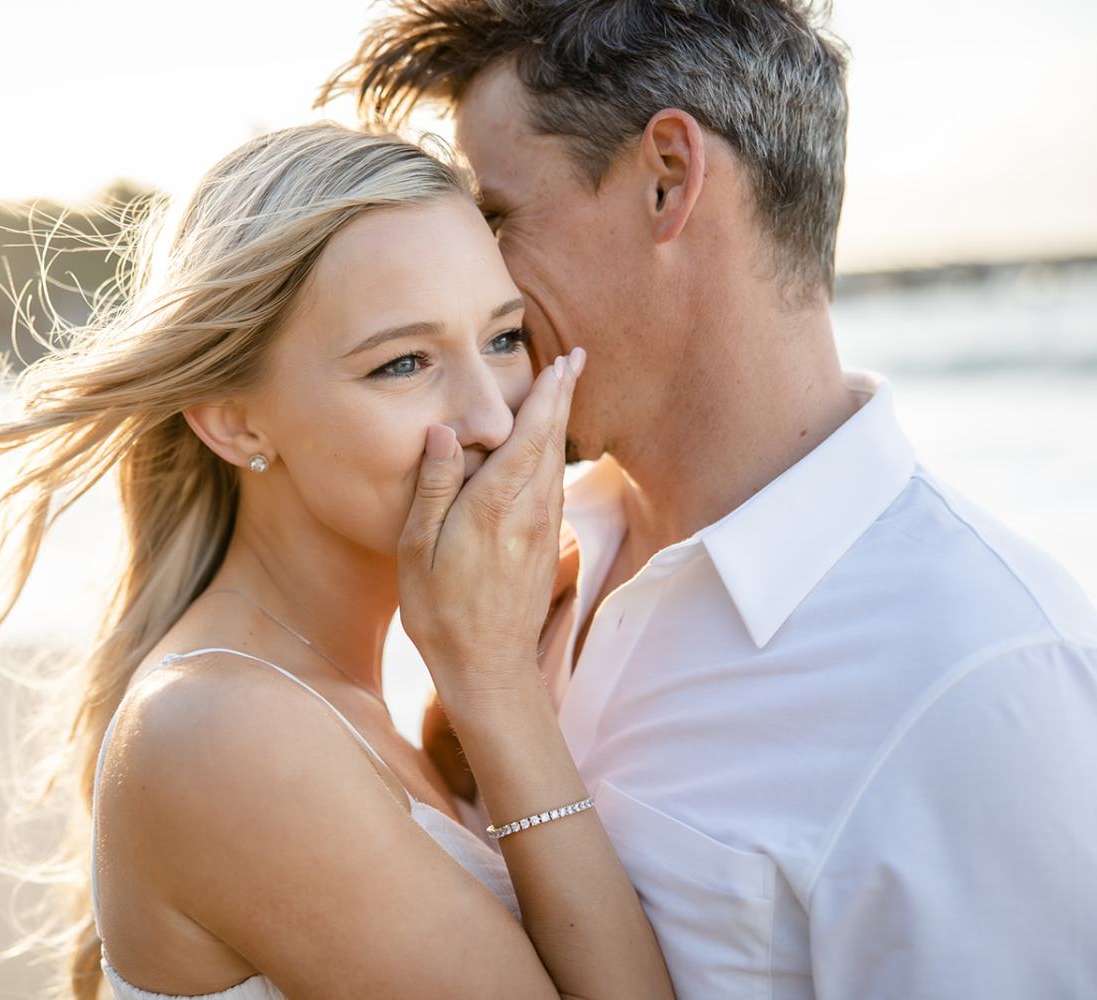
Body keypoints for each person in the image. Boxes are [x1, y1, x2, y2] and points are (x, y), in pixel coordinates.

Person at [321, 1, 1097, 998]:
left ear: (666, 179)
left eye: (497, 218)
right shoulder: (537, 552)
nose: (476, 275)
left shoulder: (976, 681)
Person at [0, 122, 673, 999]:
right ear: (232, 417)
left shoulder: (331, 700)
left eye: (503, 339)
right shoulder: (219, 731)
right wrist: (496, 684)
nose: (492, 418)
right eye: (402, 363)